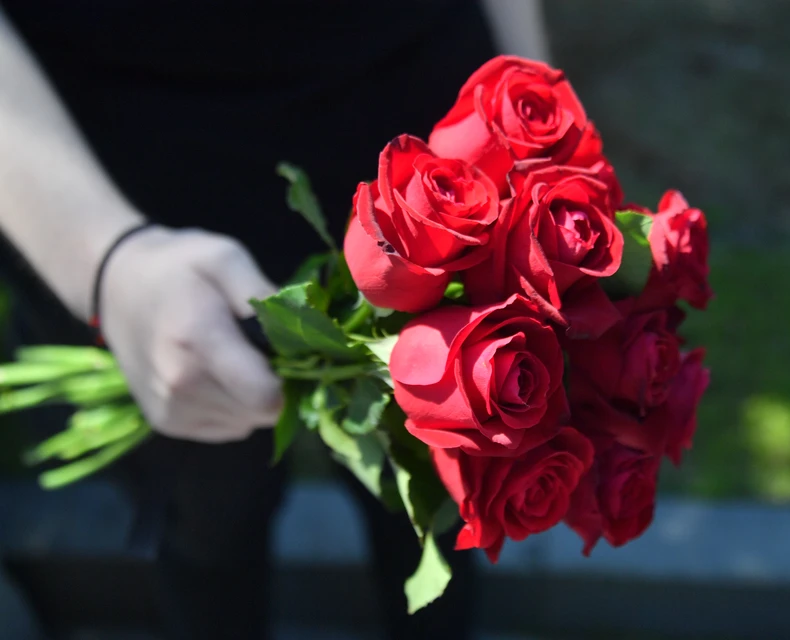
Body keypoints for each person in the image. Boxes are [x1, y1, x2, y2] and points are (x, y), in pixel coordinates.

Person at [0, 1, 551, 639]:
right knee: (210, 516)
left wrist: (536, 119)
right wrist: (107, 255)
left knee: (435, 488)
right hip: (124, 176)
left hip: (427, 141)